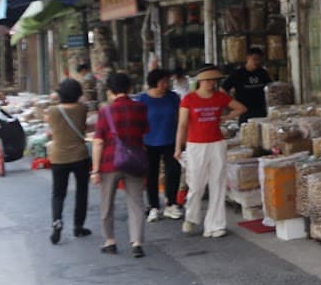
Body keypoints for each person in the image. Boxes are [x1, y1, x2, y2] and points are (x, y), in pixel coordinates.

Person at [177, 64, 246, 239]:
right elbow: (183, 124)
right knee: (196, 184)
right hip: (195, 145)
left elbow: (241, 108)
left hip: (217, 143)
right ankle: (191, 216)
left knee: (218, 183)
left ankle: (215, 224)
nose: (211, 83)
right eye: (208, 80)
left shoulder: (220, 97)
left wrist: (225, 117)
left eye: (214, 80)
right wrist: (178, 147)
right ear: (200, 81)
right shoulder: (189, 99)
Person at [92, 72, 149, 257]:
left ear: (110, 91)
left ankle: (110, 241)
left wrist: (95, 170)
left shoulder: (105, 111)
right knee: (136, 202)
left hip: (110, 162)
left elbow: (98, 142)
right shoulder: (140, 107)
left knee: (107, 203)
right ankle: (137, 242)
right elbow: (145, 131)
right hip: (134, 160)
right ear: (130, 88)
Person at [46, 79, 93, 245]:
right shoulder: (82, 109)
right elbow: (84, 103)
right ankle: (78, 226)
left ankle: (57, 221)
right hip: (80, 156)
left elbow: (50, 129)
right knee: (82, 191)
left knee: (58, 193)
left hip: (58, 157)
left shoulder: (52, 111)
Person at [137, 69, 183, 222]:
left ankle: (171, 203)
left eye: (167, 81)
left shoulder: (173, 98)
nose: (167, 84)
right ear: (155, 83)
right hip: (149, 142)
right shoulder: (142, 99)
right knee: (151, 174)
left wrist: (181, 139)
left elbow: (180, 119)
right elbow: (138, 123)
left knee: (173, 171)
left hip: (171, 140)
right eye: (164, 81)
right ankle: (154, 206)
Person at [221, 47, 271, 122]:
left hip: (262, 111)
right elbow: (222, 90)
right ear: (247, 58)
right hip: (244, 112)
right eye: (255, 59)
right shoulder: (238, 73)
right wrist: (232, 105)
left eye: (259, 60)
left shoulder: (263, 73)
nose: (257, 62)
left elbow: (270, 88)